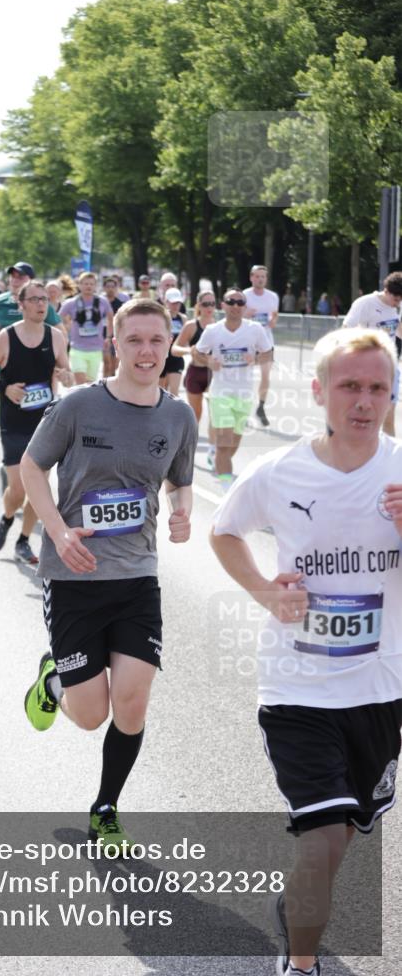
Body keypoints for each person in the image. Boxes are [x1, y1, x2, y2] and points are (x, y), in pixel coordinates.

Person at [210, 326, 402, 976]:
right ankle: (298, 965)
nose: (363, 401)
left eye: (377, 387)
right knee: (319, 840)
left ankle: (297, 907)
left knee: (341, 835)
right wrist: (266, 592)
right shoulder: (280, 470)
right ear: (318, 390)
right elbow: (224, 530)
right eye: (349, 386)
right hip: (297, 688)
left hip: (380, 691)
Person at [20, 297, 197, 852]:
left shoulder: (178, 415)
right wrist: (57, 530)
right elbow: (31, 466)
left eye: (156, 341)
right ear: (113, 344)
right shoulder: (77, 407)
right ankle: (55, 681)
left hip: (137, 576)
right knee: (91, 715)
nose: (147, 352)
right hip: (74, 577)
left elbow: (179, 477)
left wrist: (183, 508)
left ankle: (106, 807)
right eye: (135, 340)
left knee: (133, 701)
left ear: (169, 345)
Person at [0, 279, 73, 564]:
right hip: (13, 419)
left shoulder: (56, 337)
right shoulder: (6, 337)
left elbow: (64, 370)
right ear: (21, 305)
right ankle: (7, 518)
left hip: (44, 420)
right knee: (18, 489)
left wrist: (66, 375)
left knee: (39, 487)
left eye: (44, 299)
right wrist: (5, 388)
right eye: (34, 300)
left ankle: (23, 540)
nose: (41, 304)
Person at [194, 286, 273, 490]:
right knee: (224, 442)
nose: (235, 306)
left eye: (240, 302)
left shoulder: (255, 329)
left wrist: (254, 359)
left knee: (233, 444)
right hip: (221, 393)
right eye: (231, 302)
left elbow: (268, 354)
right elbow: (197, 353)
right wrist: (209, 361)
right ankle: (226, 488)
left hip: (244, 394)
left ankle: (220, 463)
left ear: (245, 307)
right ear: (223, 305)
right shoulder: (213, 330)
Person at [342, 270, 402, 437]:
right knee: (364, 414)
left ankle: (392, 459)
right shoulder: (365, 303)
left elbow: (399, 331)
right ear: (386, 291)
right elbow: (346, 329)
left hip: (389, 366)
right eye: (396, 299)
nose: (397, 304)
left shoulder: (399, 306)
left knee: (389, 414)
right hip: (365, 366)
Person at [174, 290, 217, 468]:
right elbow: (175, 348)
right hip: (195, 373)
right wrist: (188, 350)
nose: (209, 308)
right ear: (198, 306)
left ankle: (212, 452)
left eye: (212, 304)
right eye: (205, 304)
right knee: (195, 415)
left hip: (214, 375)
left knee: (215, 414)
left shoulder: (219, 326)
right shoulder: (192, 326)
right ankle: (186, 451)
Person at [61, 271, 113, 385]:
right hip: (77, 350)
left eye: (91, 284)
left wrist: (108, 337)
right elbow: (58, 319)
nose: (88, 286)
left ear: (95, 286)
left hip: (96, 349)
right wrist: (65, 330)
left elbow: (111, 318)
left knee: (90, 384)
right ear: (79, 285)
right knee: (80, 383)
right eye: (85, 283)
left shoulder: (103, 302)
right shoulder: (71, 303)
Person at [243, 264, 279, 427]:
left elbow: (275, 315)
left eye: (263, 277)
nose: (260, 279)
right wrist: (246, 314)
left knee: (266, 375)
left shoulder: (272, 296)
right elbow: (236, 315)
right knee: (245, 376)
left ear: (266, 279)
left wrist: (273, 321)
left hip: (266, 340)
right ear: (251, 277)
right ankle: (242, 408)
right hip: (248, 341)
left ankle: (261, 407)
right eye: (257, 276)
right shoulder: (245, 295)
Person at [159, 287, 187, 396]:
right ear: (166, 302)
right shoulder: (160, 317)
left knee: (174, 393)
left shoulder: (183, 318)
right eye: (173, 303)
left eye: (178, 303)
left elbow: (186, 339)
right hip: (162, 358)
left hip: (176, 358)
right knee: (160, 392)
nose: (176, 306)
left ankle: (173, 412)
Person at [102, 276, 128, 378]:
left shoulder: (121, 304)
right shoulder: (100, 303)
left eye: (113, 286)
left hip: (117, 336)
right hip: (103, 336)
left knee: (114, 365)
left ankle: (112, 382)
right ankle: (104, 385)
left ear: (117, 288)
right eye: (108, 286)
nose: (110, 289)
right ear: (104, 288)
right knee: (106, 363)